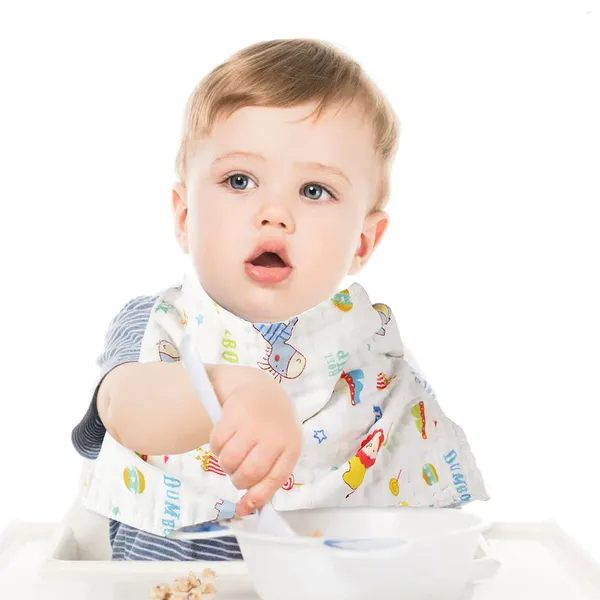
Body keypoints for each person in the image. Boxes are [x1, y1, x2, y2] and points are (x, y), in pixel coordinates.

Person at [72, 38, 487, 562]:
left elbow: (423, 518)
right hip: (174, 589)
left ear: (363, 241)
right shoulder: (160, 322)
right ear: (184, 216)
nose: (274, 214)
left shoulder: (372, 349)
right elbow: (122, 408)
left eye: (315, 191)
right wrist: (234, 389)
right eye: (239, 180)